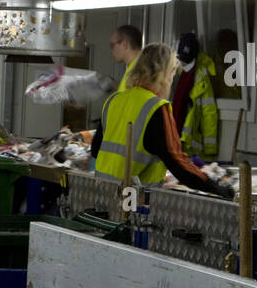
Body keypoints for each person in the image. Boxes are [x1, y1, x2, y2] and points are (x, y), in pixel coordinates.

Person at [90, 43, 233, 197]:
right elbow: (178, 165)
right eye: (172, 74)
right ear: (163, 74)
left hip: (102, 196)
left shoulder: (114, 100)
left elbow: (96, 149)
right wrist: (220, 190)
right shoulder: (156, 108)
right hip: (134, 204)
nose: (172, 80)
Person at [172, 33, 220, 161]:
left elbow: (209, 113)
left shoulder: (201, 79)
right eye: (181, 58)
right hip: (176, 140)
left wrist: (210, 148)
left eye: (187, 59)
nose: (183, 62)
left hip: (191, 145)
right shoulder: (178, 74)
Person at [110, 25, 143, 91]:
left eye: (112, 45)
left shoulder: (139, 72)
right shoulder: (134, 68)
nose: (111, 50)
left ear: (125, 45)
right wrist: (112, 84)